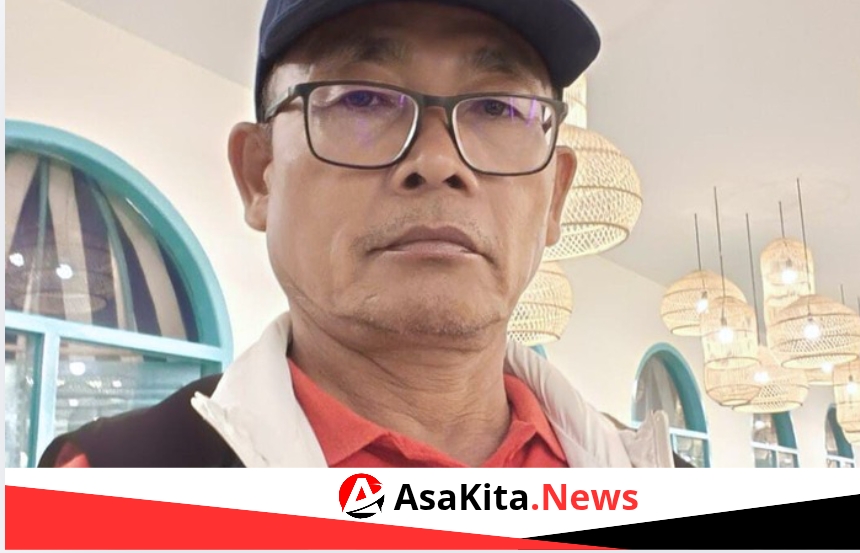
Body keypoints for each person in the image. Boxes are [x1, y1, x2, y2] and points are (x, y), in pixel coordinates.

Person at [40, 0, 677, 468]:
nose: (438, 161)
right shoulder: (115, 485)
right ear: (260, 175)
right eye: (362, 99)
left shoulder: (661, 483)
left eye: (498, 107)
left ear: (555, 196)